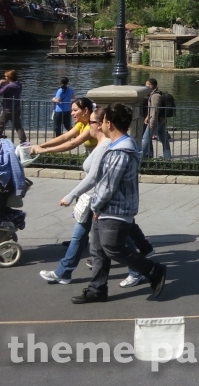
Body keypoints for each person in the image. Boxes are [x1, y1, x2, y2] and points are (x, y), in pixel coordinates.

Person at [40, 107, 152, 287]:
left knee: (110, 244)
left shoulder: (110, 148)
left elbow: (99, 180)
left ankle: (142, 269)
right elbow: (71, 141)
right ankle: (71, 274)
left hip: (99, 202)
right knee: (100, 243)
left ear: (102, 125)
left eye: (91, 122)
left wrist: (73, 196)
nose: (87, 125)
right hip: (98, 202)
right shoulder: (104, 144)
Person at [71, 103, 167, 304]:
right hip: (109, 208)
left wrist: (96, 206)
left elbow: (107, 185)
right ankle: (97, 288)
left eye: (102, 120)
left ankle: (152, 270)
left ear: (109, 123)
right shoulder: (120, 146)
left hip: (115, 209)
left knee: (112, 247)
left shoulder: (120, 152)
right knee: (97, 250)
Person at [31, 97, 97, 155]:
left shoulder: (92, 126)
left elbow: (72, 144)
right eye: (72, 111)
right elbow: (64, 137)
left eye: (75, 110)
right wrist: (40, 146)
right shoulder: (81, 124)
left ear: (85, 110)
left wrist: (44, 150)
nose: (71, 113)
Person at [142, 78, 172, 160]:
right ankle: (167, 158)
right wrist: (148, 117)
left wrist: (151, 123)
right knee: (164, 139)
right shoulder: (157, 94)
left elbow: (154, 110)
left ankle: (139, 159)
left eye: (147, 85)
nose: (145, 86)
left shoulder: (155, 96)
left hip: (156, 121)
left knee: (145, 139)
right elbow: (152, 109)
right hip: (161, 120)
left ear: (151, 86)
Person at [0, 70, 25, 143]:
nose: (5, 78)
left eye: (6, 76)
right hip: (16, 108)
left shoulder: (9, 86)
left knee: (0, 125)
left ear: (9, 77)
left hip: (7, 109)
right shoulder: (19, 84)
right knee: (18, 126)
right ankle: (23, 141)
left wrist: (0, 84)